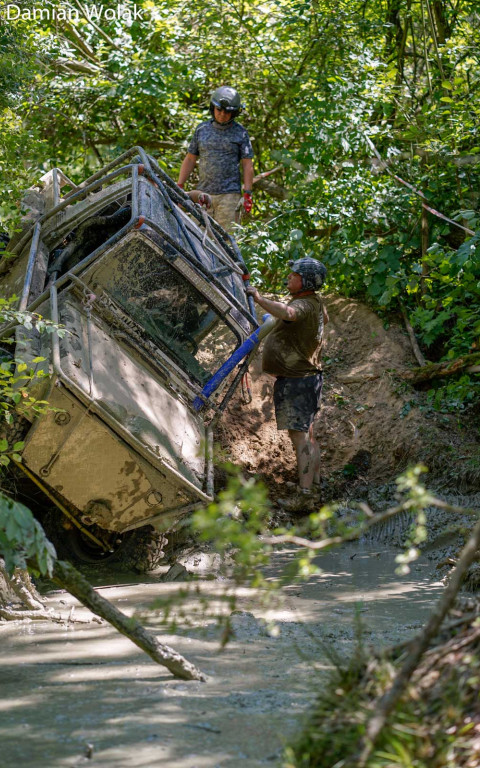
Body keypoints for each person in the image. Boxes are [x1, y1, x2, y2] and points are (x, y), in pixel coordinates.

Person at [246, 256, 328, 513]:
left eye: (294, 275)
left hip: (298, 382)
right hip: (307, 380)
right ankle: (312, 487)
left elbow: (290, 313)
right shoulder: (314, 303)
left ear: (305, 281)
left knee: (301, 437)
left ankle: (305, 496)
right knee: (308, 435)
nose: (289, 277)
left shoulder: (303, 305)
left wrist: (259, 299)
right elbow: (320, 315)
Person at [177, 86, 254, 233]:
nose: (223, 114)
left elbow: (247, 164)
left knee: (226, 242)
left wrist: (247, 193)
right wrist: (180, 185)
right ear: (213, 108)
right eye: (219, 110)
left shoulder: (240, 133)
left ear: (234, 113)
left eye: (227, 112)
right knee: (196, 237)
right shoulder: (202, 129)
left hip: (229, 196)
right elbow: (190, 159)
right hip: (203, 195)